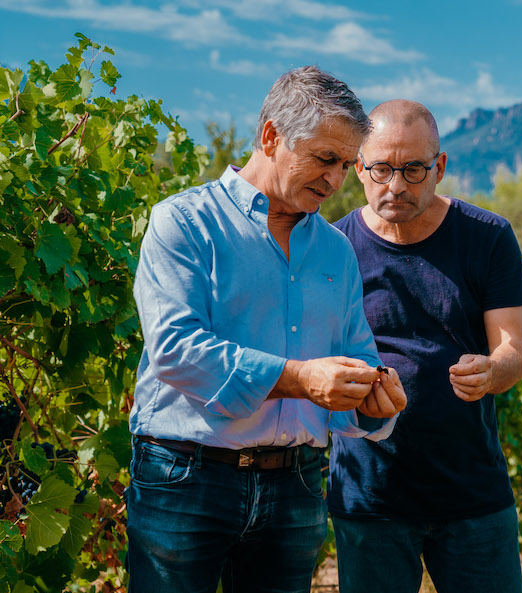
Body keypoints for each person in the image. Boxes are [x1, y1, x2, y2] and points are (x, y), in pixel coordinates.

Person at [126, 66, 407, 593]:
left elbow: (353, 360)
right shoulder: (182, 224)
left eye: (346, 165)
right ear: (271, 136)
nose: (335, 181)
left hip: (297, 484)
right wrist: (299, 378)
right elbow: (174, 349)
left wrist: (370, 404)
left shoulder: (336, 251)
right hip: (185, 480)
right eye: (325, 159)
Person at [327, 99, 522, 593]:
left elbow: (515, 347)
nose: (395, 185)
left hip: (472, 496)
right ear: (359, 168)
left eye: (414, 169)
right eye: (380, 169)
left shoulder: (487, 237)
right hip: (368, 498)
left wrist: (493, 370)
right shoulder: (332, 248)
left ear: (439, 167)